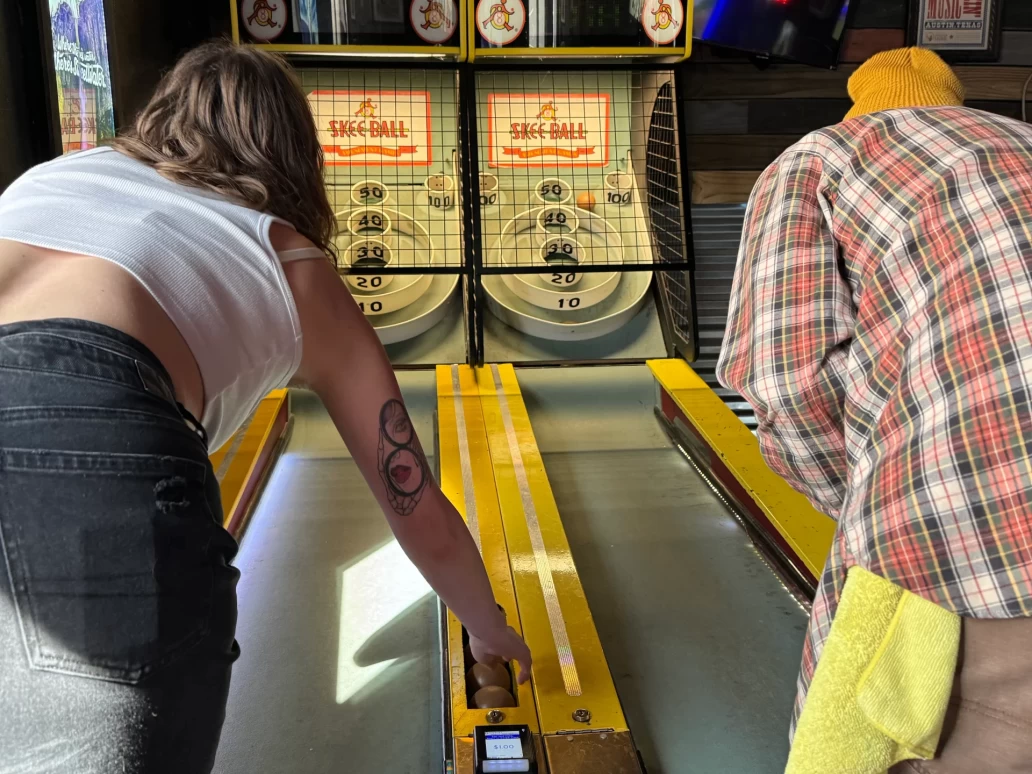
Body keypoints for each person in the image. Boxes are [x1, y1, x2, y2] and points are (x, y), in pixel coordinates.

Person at [0, 40, 530, 773]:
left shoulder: (53, 178)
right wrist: (487, 627)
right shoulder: (289, 260)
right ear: (294, 152)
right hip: (97, 437)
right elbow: (415, 504)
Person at [718, 47, 1032, 771]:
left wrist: (868, 510)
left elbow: (785, 379)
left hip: (988, 529)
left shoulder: (821, 159)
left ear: (859, 106)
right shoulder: (1023, 141)